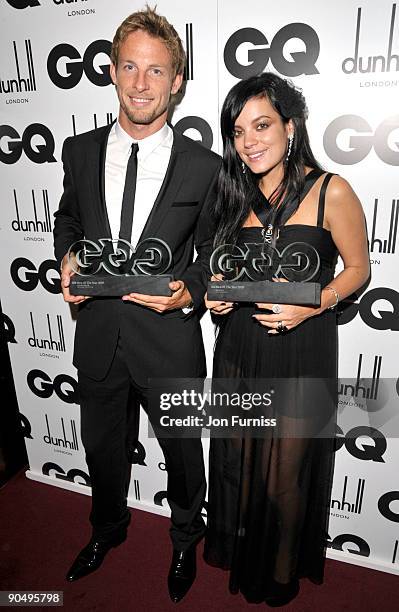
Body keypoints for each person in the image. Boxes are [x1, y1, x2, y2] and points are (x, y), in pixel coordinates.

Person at [53, 6, 220, 603]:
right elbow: (68, 218)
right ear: (114, 73)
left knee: (181, 455)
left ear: (177, 80)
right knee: (101, 449)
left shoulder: (206, 168)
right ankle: (106, 530)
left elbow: (214, 258)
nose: (141, 83)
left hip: (168, 340)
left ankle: (183, 540)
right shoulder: (78, 150)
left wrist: (190, 290)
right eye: (130, 67)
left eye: (156, 71)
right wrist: (68, 255)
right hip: (98, 333)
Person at [203, 72, 370, 607]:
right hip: (241, 348)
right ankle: (244, 558)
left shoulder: (330, 189)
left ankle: (279, 574)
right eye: (237, 131)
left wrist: (311, 302)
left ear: (290, 128)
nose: (248, 141)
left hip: (301, 349)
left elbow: (358, 269)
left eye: (261, 125)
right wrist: (219, 296)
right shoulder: (233, 194)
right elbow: (224, 273)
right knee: (239, 464)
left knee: (284, 478)